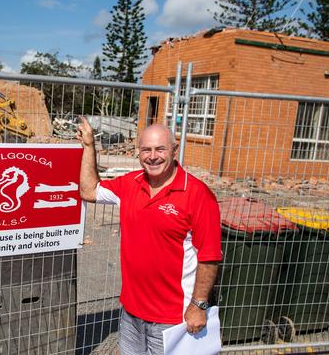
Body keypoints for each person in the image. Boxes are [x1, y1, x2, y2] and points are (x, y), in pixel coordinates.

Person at [76, 117, 221, 354]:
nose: (153, 156)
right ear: (138, 153)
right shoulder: (131, 184)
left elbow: (209, 256)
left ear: (174, 151)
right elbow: (89, 190)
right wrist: (89, 147)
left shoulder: (198, 195)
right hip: (132, 311)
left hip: (173, 317)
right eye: (146, 150)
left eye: (160, 149)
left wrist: (198, 305)